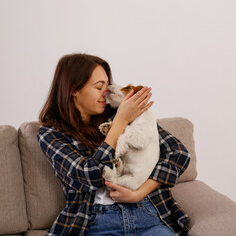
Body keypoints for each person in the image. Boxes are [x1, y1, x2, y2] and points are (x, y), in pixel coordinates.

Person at [37, 53, 190, 236]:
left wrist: (139, 193)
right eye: (99, 86)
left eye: (107, 84)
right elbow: (87, 176)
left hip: (146, 214)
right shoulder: (51, 134)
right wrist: (119, 124)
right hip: (97, 223)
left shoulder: (118, 113)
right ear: (74, 90)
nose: (106, 92)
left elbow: (179, 153)